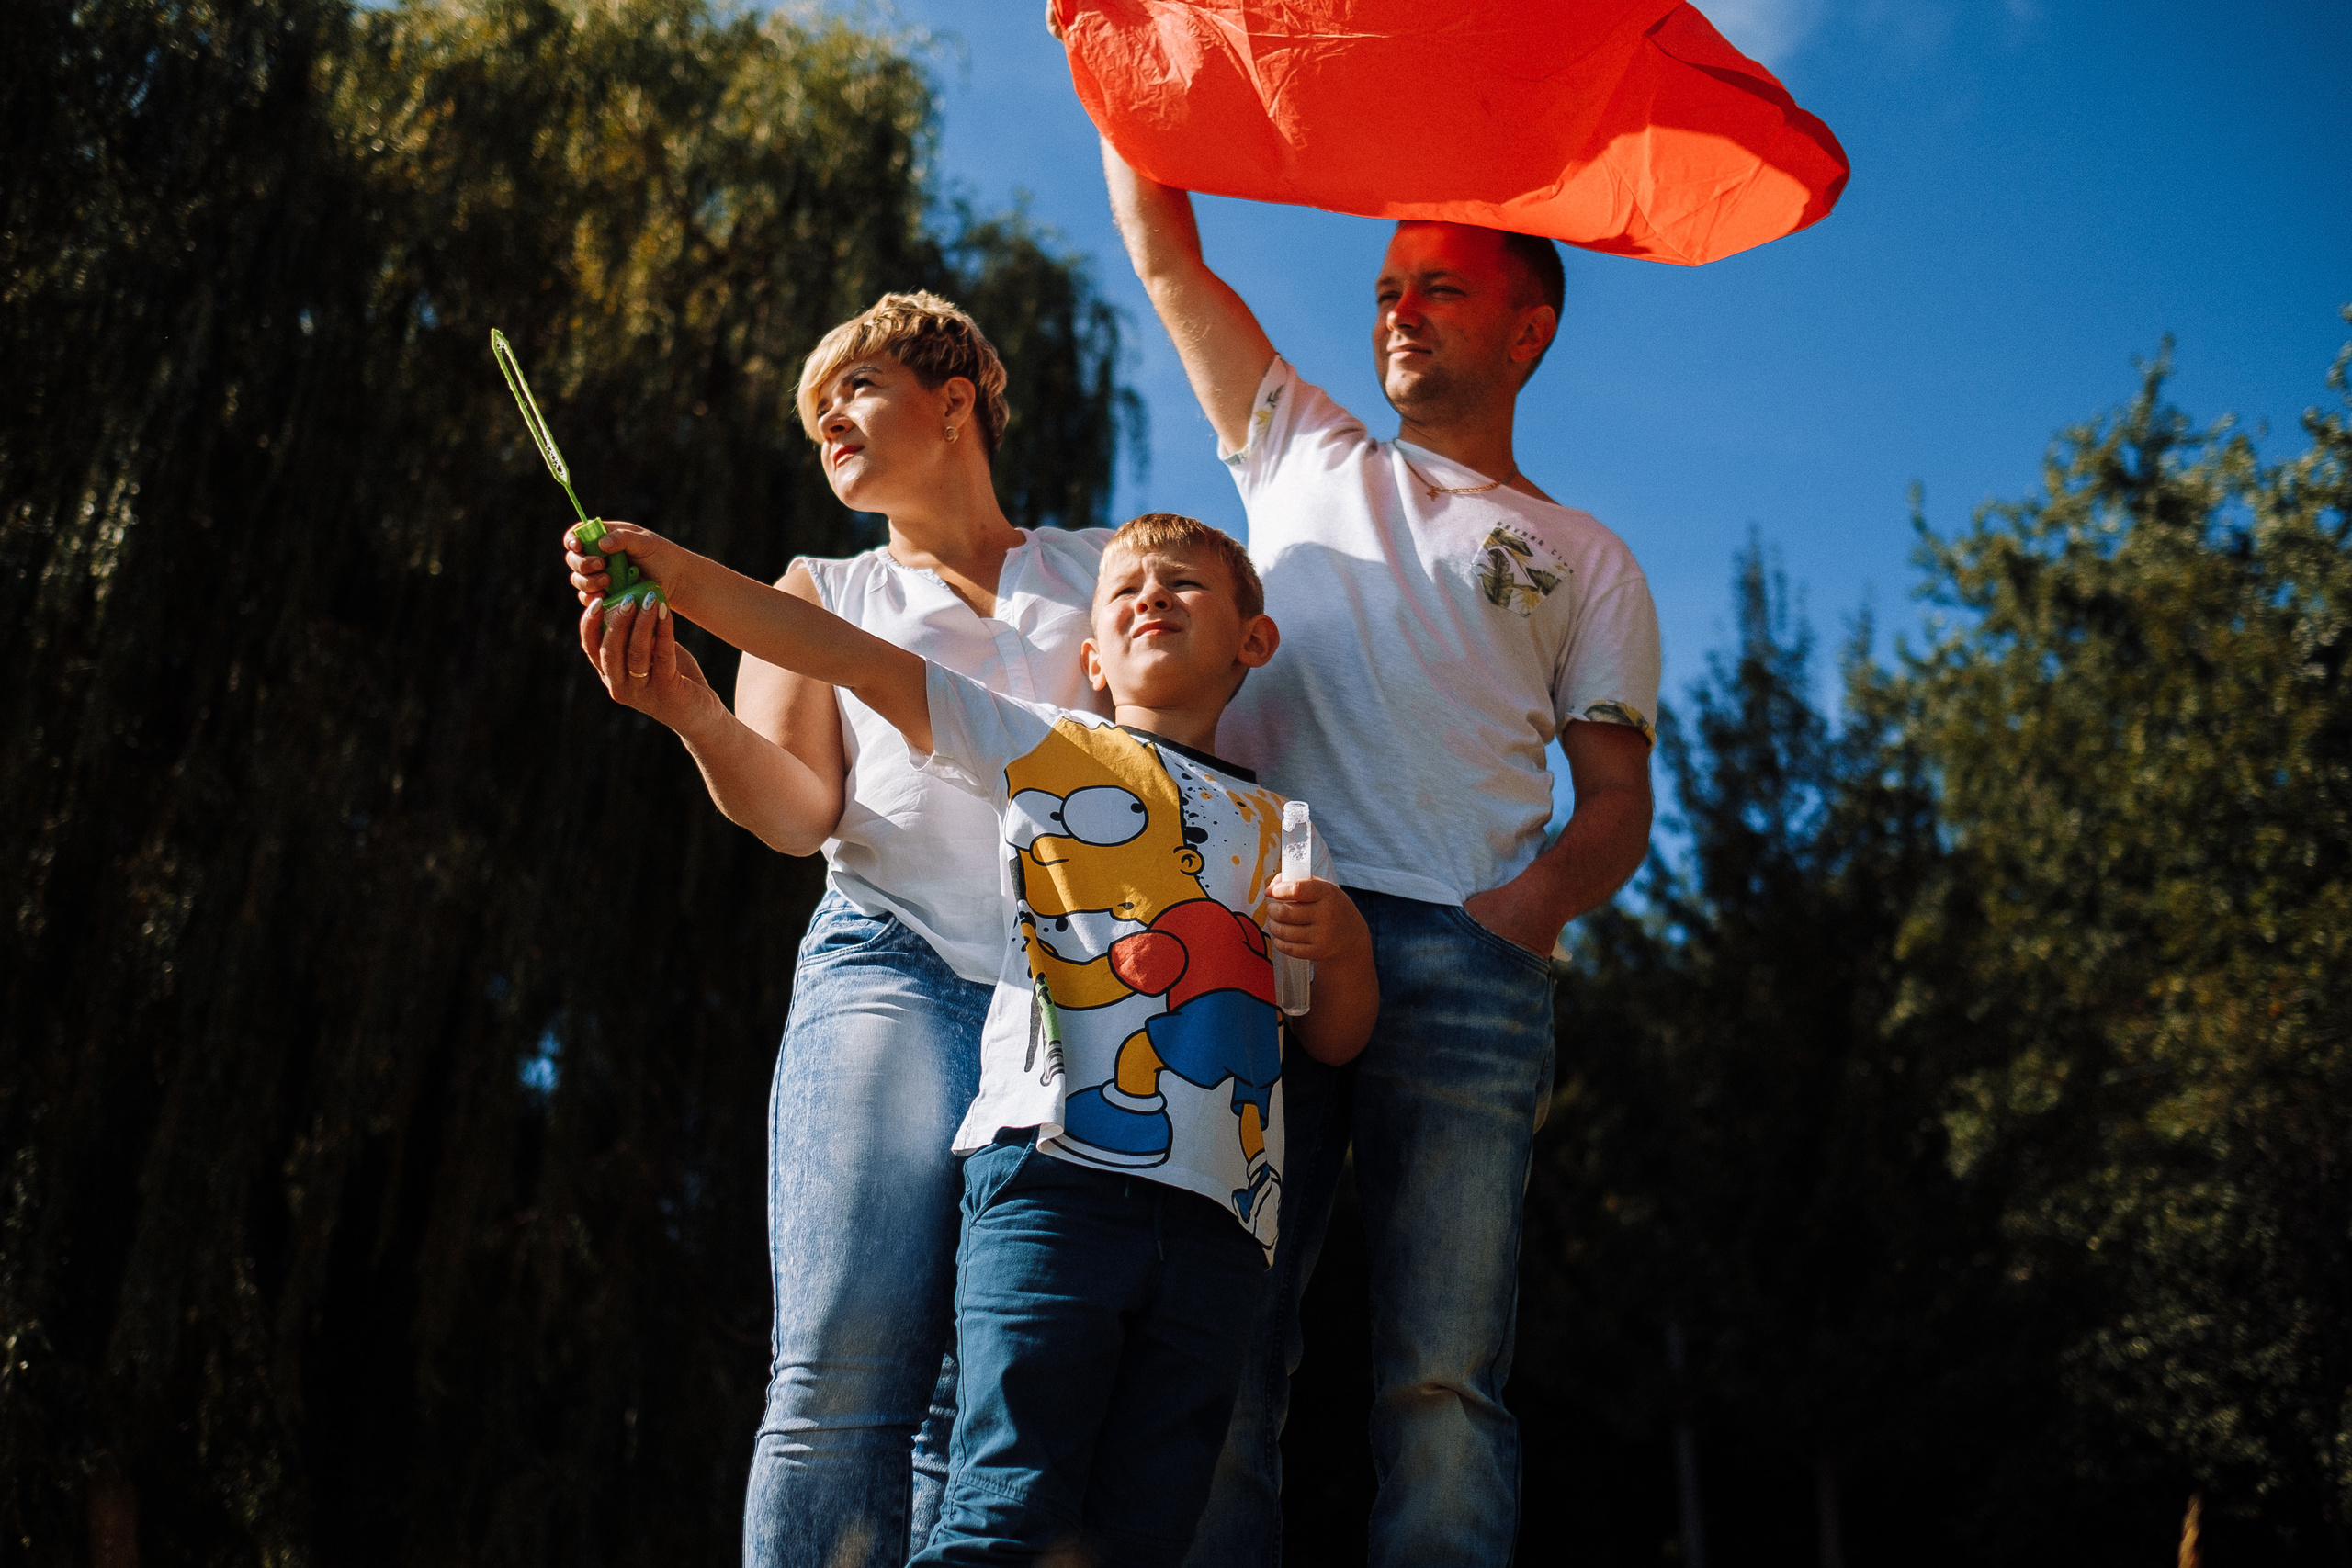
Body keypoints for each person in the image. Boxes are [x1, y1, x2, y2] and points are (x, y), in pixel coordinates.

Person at [574, 509, 1381, 1565]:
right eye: (1126, 589)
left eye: (1183, 584)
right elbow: (851, 658)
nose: (1150, 596)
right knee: (1002, 1509)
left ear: (1253, 641)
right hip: (1050, 1190)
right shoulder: (1044, 747)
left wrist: (1351, 949)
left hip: (1220, 1238)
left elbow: (1332, 1041)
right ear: (1089, 656)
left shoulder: (1288, 828)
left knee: (1146, 1532)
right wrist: (680, 575)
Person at [1096, 141, 1663, 1565]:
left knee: (1440, 1379)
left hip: (1470, 973)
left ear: (1527, 327)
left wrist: (1519, 914)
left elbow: (1614, 801)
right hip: (1255, 946)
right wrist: (1118, 69)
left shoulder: (1586, 557)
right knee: (1226, 1349)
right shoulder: (1301, 445)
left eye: (1441, 289)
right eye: (1387, 289)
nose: (1399, 311)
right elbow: (1169, 256)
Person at [563, 292, 1113, 1568]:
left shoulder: (1100, 566)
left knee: (975, 1402)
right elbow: (799, 809)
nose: (830, 429)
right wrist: (698, 715)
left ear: (955, 399)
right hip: (893, 965)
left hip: (1069, 1005)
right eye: (817, 419)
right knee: (842, 1365)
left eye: (853, 393)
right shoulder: (818, 588)